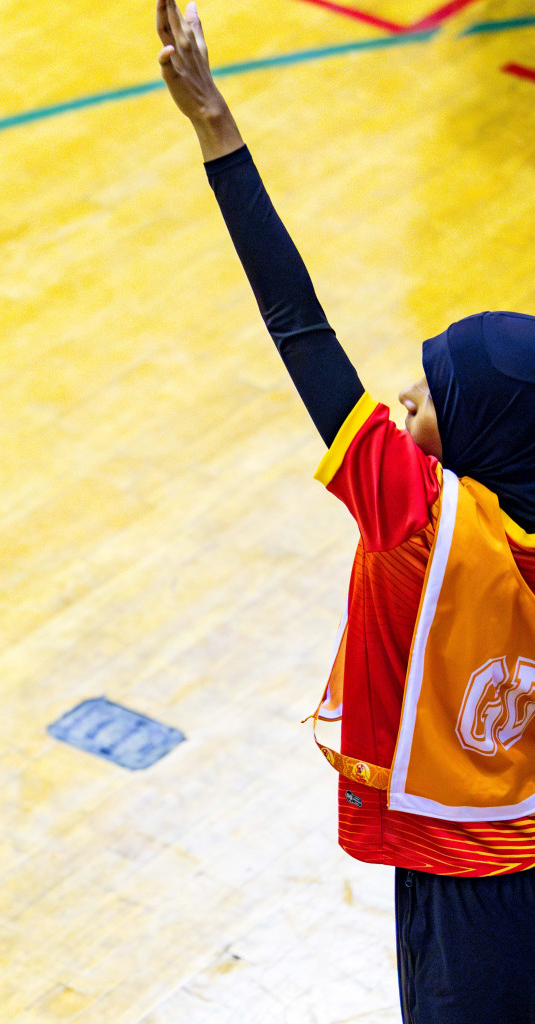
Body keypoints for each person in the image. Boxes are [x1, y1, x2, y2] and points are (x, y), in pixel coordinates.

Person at [155, 2, 535, 1020]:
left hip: (468, 879)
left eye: (422, 400)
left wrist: (217, 132)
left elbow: (299, 324)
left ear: (484, 434)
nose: (397, 406)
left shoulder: (426, 520)